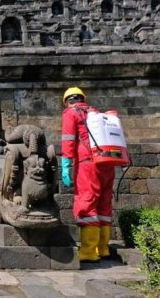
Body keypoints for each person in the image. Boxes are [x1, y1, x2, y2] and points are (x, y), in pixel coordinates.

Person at [60, 87, 116, 262]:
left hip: (87, 164)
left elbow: (68, 140)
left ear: (67, 101)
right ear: (83, 98)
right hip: (107, 163)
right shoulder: (96, 114)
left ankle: (88, 252)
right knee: (104, 204)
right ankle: (103, 248)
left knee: (87, 203)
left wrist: (66, 164)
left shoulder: (71, 113)